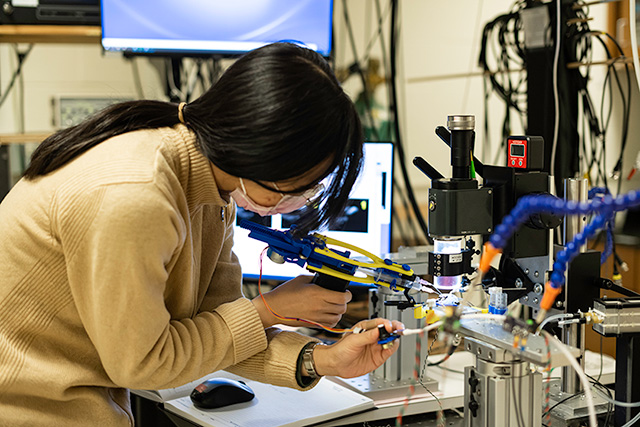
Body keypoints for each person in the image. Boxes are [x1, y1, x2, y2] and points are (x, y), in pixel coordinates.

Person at [0, 42, 402, 426]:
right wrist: (269, 309)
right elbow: (145, 363)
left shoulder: (215, 189)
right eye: (306, 185)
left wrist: (323, 359)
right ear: (263, 154)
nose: (306, 199)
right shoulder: (136, 195)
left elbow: (213, 330)